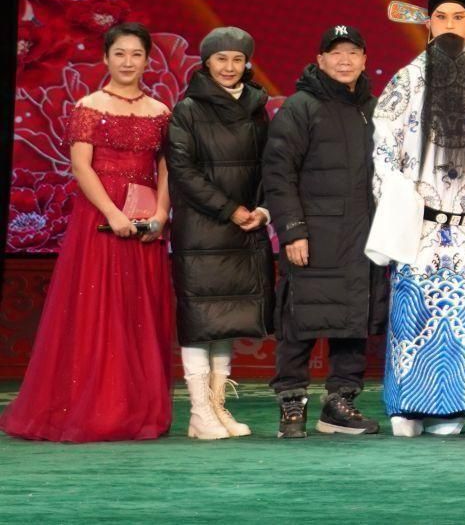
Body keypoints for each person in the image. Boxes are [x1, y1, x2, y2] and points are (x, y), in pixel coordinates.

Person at [0, 23, 175, 442]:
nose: (128, 62)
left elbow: (167, 167)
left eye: (136, 54)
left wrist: (161, 213)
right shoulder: (88, 106)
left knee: (138, 313)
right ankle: (93, 408)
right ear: (105, 58)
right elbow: (81, 167)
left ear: (148, 60)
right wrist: (112, 214)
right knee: (98, 310)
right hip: (99, 220)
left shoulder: (161, 111)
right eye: (120, 54)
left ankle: (137, 408)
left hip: (145, 219)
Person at [365, 0, 465, 436]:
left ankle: (453, 409)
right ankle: (406, 406)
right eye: (441, 17)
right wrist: (399, 203)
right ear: (427, 24)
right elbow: (383, 149)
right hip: (422, 225)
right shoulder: (406, 81)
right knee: (413, 316)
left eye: (458, 17)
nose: (449, 25)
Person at [261, 24, 387, 438]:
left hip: (363, 234)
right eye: (336, 53)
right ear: (320, 60)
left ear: (364, 60)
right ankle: (291, 403)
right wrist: (292, 230)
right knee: (300, 317)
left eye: (352, 52)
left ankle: (339, 405)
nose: (344, 60)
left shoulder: (375, 108)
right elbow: (278, 173)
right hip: (313, 236)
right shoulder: (300, 107)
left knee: (353, 318)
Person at [166, 26, 275, 440]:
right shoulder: (187, 110)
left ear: (246, 64)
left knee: (228, 318)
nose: (229, 67)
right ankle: (199, 411)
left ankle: (217, 407)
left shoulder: (257, 107)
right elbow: (183, 171)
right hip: (202, 228)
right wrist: (230, 210)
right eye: (221, 59)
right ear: (206, 62)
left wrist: (261, 210)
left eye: (237, 59)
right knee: (200, 318)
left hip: (245, 227)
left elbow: (271, 165)